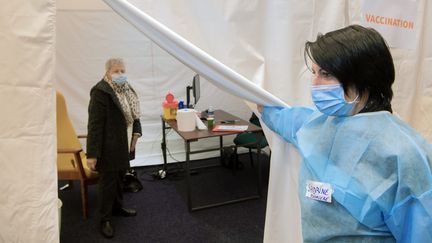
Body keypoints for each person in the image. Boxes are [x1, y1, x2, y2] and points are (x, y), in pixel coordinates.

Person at [258, 25, 432, 242]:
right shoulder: (317, 126)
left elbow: (421, 232)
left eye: (326, 74)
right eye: (314, 73)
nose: (315, 85)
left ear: (363, 76)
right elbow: (286, 119)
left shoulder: (405, 155)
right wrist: (258, 101)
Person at [86, 58, 142, 238]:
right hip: (108, 146)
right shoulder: (100, 92)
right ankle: (105, 219)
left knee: (119, 177)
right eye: (116, 71)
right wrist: (92, 154)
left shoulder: (125, 89)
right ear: (108, 72)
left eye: (122, 71)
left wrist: (136, 133)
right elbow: (94, 125)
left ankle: (117, 208)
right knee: (107, 184)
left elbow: (133, 116)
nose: (120, 74)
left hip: (122, 143)